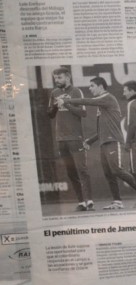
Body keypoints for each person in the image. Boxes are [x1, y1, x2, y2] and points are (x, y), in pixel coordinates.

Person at [62, 76, 136, 210]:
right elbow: (102, 130)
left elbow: (88, 101)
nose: (90, 88)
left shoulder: (107, 97)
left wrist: (67, 100)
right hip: (104, 142)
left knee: (117, 170)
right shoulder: (102, 105)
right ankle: (117, 201)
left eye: (92, 86)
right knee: (109, 174)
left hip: (113, 141)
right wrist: (90, 141)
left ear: (100, 87)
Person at [46, 66, 93, 211]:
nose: (57, 80)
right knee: (71, 172)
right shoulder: (54, 93)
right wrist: (55, 106)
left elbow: (83, 113)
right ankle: (81, 202)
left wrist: (66, 103)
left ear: (67, 77)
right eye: (55, 78)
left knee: (82, 170)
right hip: (61, 139)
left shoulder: (76, 91)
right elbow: (50, 115)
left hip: (75, 137)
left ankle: (89, 201)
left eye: (59, 78)